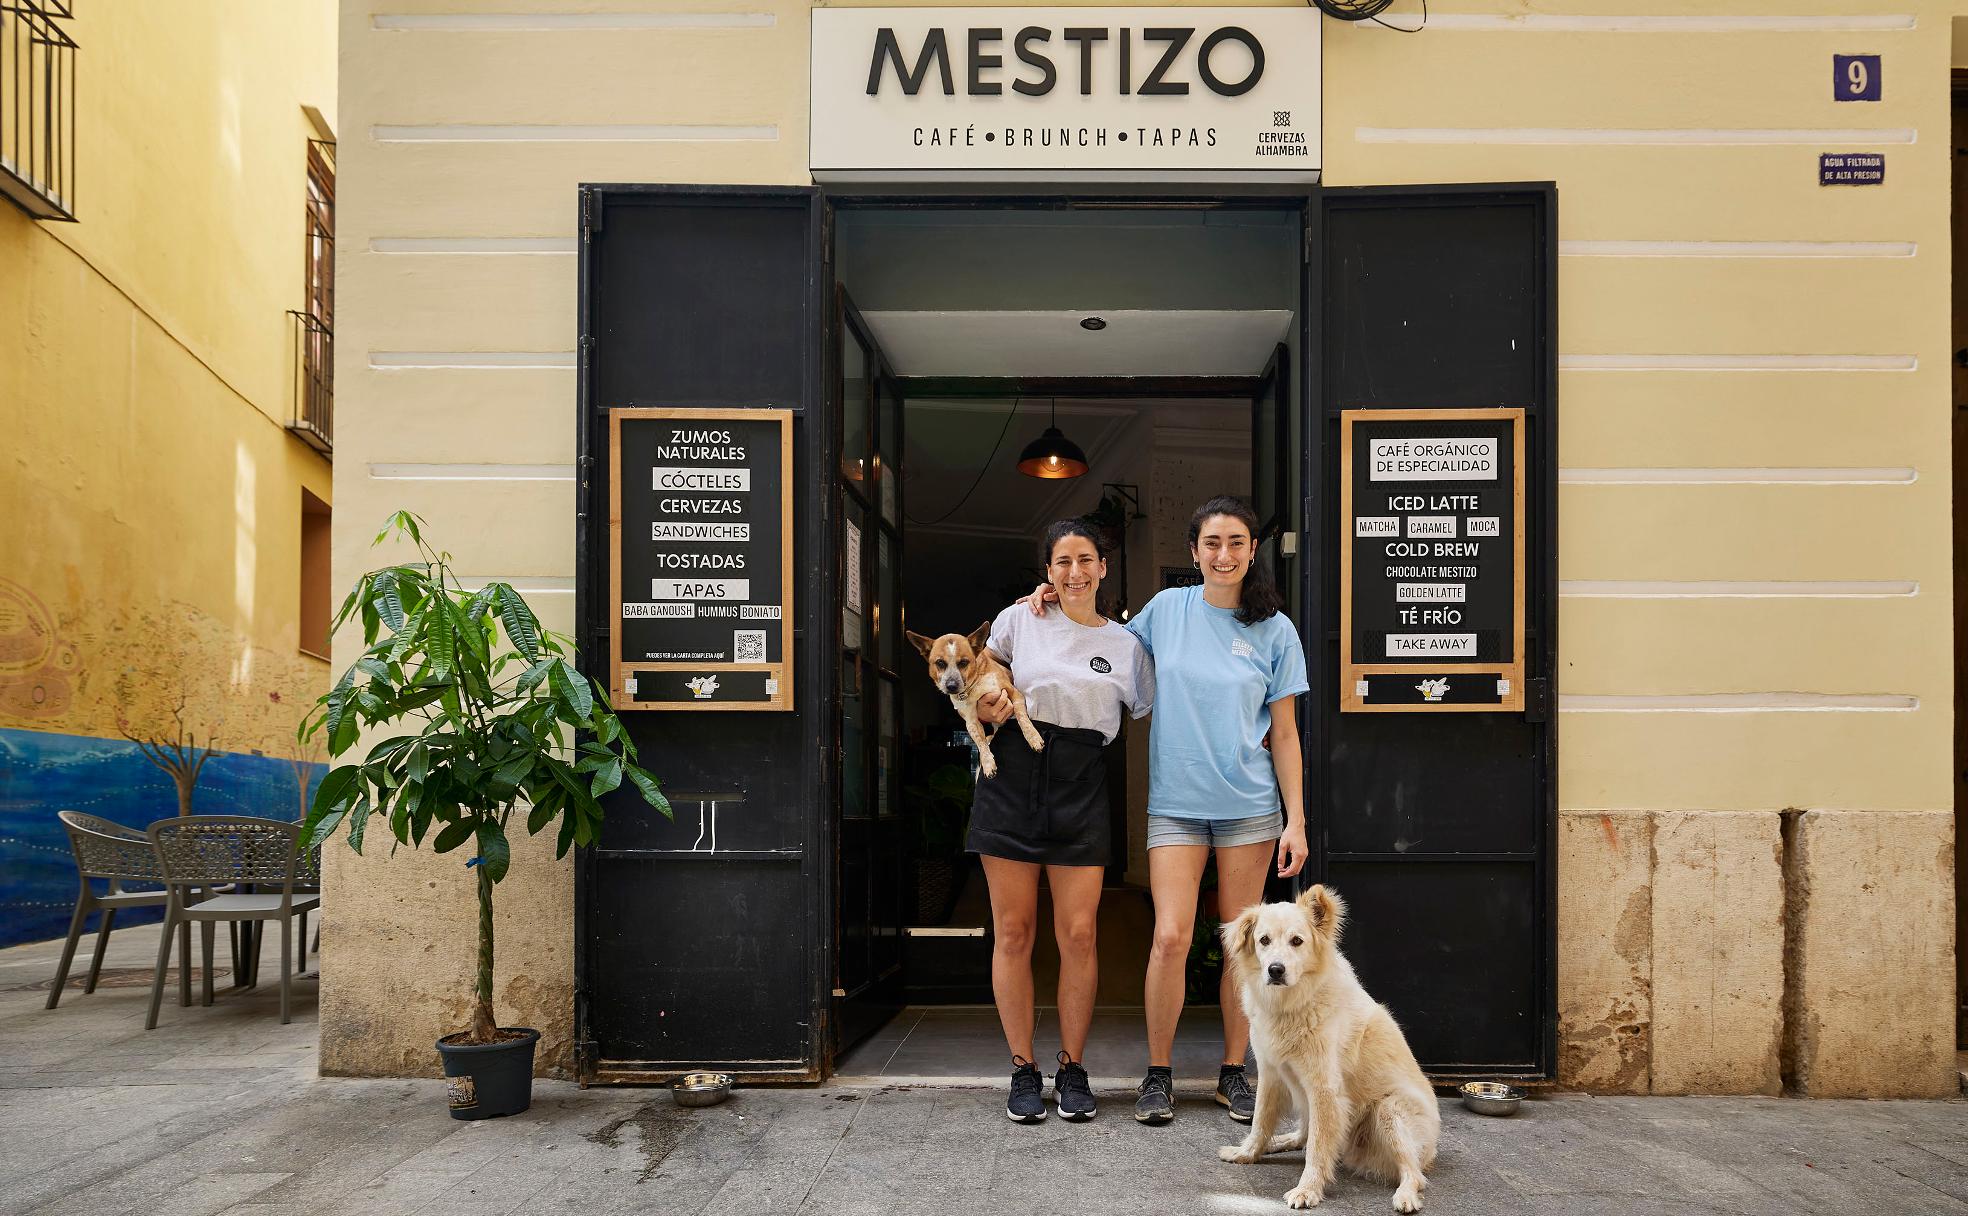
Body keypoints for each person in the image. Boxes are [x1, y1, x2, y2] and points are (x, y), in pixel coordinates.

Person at [995, 495, 1307, 1126]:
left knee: (1242, 947)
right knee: (1170, 937)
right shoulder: (1166, 611)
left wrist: (1295, 818)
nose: (1224, 555)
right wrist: (1052, 595)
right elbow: (1094, 646)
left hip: (1250, 806)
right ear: (1193, 553)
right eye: (1212, 544)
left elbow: (1287, 733)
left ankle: (1232, 1072)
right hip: (1176, 806)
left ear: (1253, 552)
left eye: (1236, 544)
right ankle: (1158, 1074)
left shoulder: (1276, 629)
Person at [965, 518, 1153, 1124]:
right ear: (1048, 572)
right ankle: (1023, 1069)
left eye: (1086, 560)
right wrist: (989, 701)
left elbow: (1156, 709)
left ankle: (1072, 1066)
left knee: (1078, 934)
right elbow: (973, 677)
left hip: (1081, 782)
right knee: (1013, 932)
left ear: (1103, 569)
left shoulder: (1127, 647)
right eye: (1062, 561)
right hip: (1013, 777)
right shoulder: (1020, 619)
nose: (1074, 572)